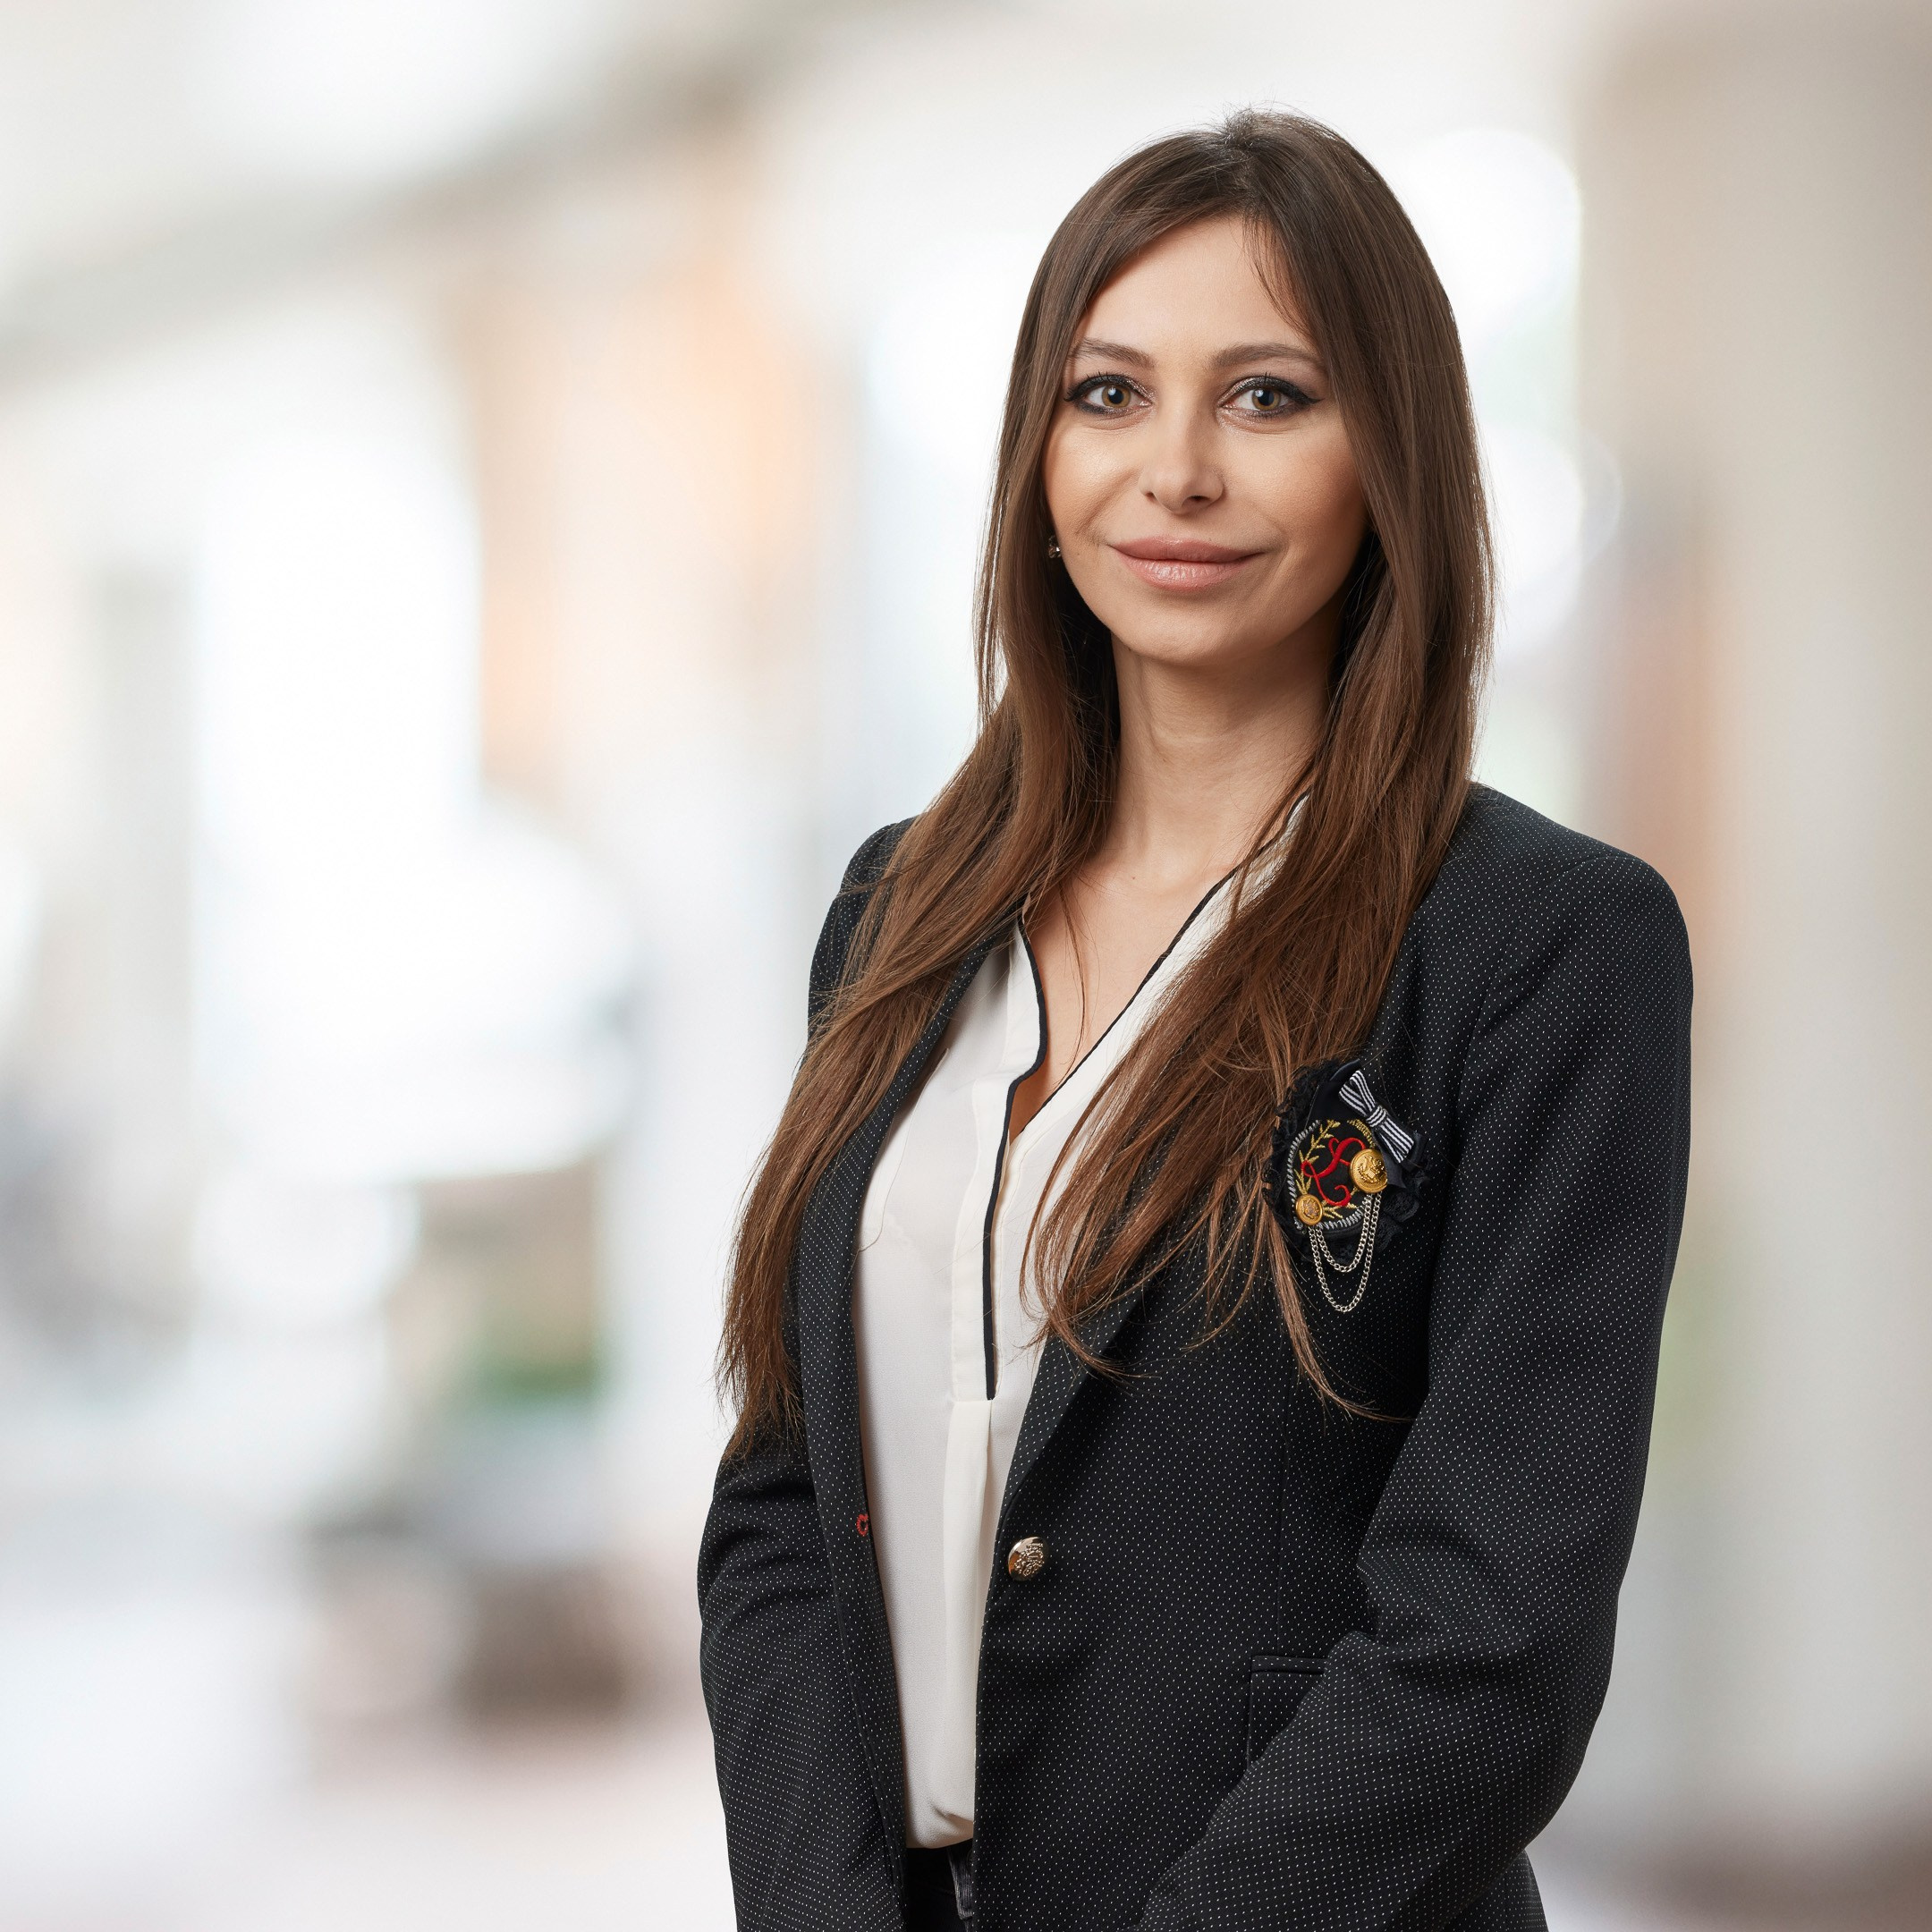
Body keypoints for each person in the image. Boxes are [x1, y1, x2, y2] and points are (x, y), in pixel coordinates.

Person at [699, 109, 1691, 1932]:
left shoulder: (1538, 948)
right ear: (1034, 453)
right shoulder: (894, 910)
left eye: (1266, 397)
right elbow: (780, 1502)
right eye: (1107, 394)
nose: (1175, 473)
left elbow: (1494, 1632)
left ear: (1388, 452)